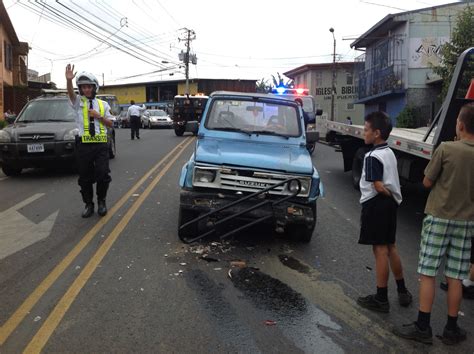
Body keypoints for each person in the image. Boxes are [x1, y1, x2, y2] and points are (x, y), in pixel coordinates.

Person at [393, 103, 474, 345]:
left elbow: (427, 182)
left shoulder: (447, 149)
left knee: (428, 273)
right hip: (467, 221)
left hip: (439, 216)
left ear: (459, 125)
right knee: (456, 277)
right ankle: (451, 328)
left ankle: (423, 326)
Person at [356, 111, 412, 314]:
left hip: (376, 204)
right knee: (391, 247)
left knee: (379, 251)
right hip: (390, 206)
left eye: (366, 130)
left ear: (377, 133)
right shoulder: (389, 152)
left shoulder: (372, 156)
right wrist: (392, 196)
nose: (364, 133)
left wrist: (386, 193)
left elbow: (378, 186)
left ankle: (381, 298)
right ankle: (402, 290)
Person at [65, 64, 113, 218]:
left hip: (100, 144)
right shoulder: (78, 102)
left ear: (94, 87)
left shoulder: (103, 104)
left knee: (103, 174)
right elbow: (71, 94)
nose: (86, 90)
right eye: (83, 87)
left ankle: (101, 202)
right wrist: (68, 81)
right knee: (84, 177)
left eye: (89, 87)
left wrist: (99, 116)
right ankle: (88, 204)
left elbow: (111, 123)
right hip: (83, 145)